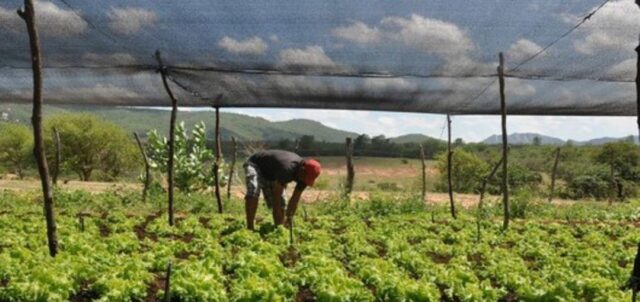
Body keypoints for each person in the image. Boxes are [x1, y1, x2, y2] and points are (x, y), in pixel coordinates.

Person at [243, 149, 321, 230]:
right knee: (253, 191)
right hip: (255, 164)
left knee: (283, 203)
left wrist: (288, 221)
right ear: (302, 170)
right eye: (306, 177)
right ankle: (250, 228)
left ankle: (280, 225)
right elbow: (276, 199)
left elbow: (295, 199)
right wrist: (279, 226)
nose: (305, 180)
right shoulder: (287, 168)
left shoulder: (304, 178)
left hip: (272, 173)